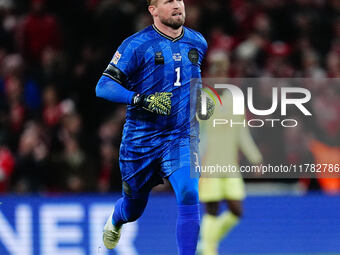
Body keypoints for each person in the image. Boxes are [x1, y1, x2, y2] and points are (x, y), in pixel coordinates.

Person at [95, 0, 210, 254]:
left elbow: (191, 80)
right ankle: (116, 217)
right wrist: (140, 99)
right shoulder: (136, 45)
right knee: (133, 209)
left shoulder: (197, 42)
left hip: (180, 135)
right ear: (153, 10)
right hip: (141, 140)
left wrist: (202, 98)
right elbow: (103, 87)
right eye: (168, 1)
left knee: (190, 192)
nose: (177, 5)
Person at [198, 90, 263, 255]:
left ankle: (207, 242)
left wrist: (255, 158)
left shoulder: (234, 102)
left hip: (230, 167)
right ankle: (209, 250)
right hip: (210, 166)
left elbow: (242, 133)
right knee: (212, 210)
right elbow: (196, 133)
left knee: (237, 211)